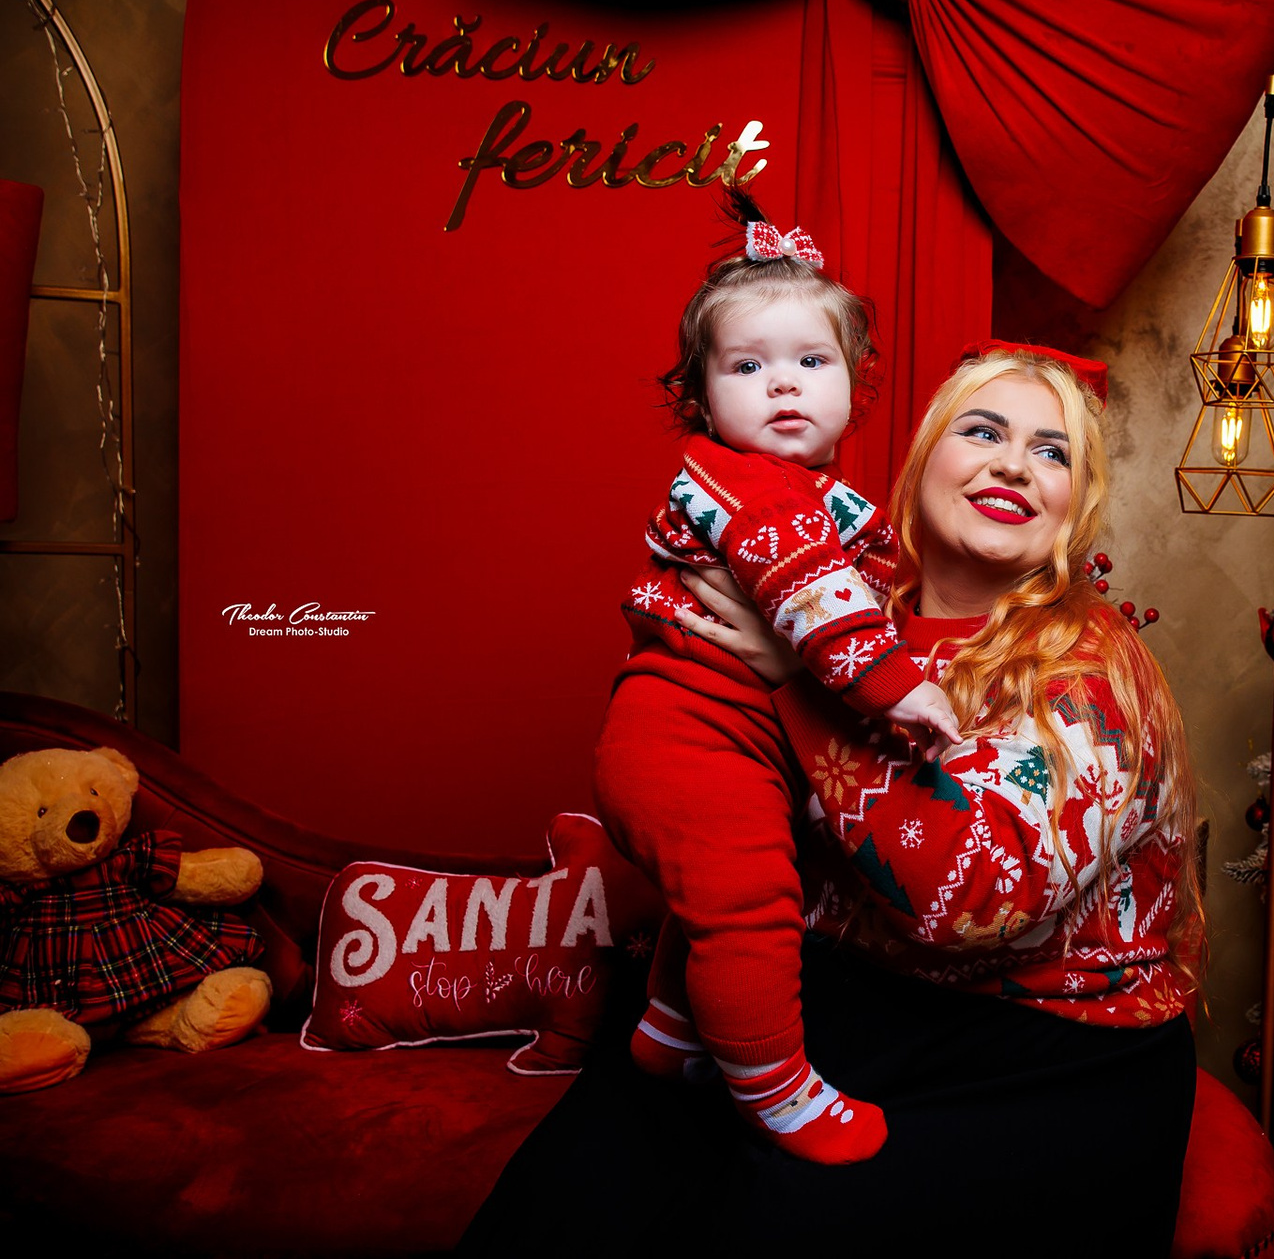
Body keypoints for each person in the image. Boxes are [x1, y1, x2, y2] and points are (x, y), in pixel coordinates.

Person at [465, 343, 1202, 1257]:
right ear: (923, 461)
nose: (1014, 464)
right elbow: (703, 765)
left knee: (771, 1219)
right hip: (851, 1004)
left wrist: (795, 682)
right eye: (983, 432)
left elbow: (975, 898)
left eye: (1052, 453)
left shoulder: (1092, 669)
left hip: (1045, 1056)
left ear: (1075, 506)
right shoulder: (830, 606)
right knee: (582, 1174)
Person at [605, 199, 962, 1167]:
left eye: (813, 360)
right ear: (699, 398)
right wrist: (896, 687)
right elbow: (808, 588)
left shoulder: (820, 496)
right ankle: (776, 1087)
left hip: (731, 741)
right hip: (685, 735)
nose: (784, 384)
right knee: (750, 907)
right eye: (746, 366)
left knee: (729, 890)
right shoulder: (748, 485)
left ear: (856, 380)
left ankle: (669, 1031)